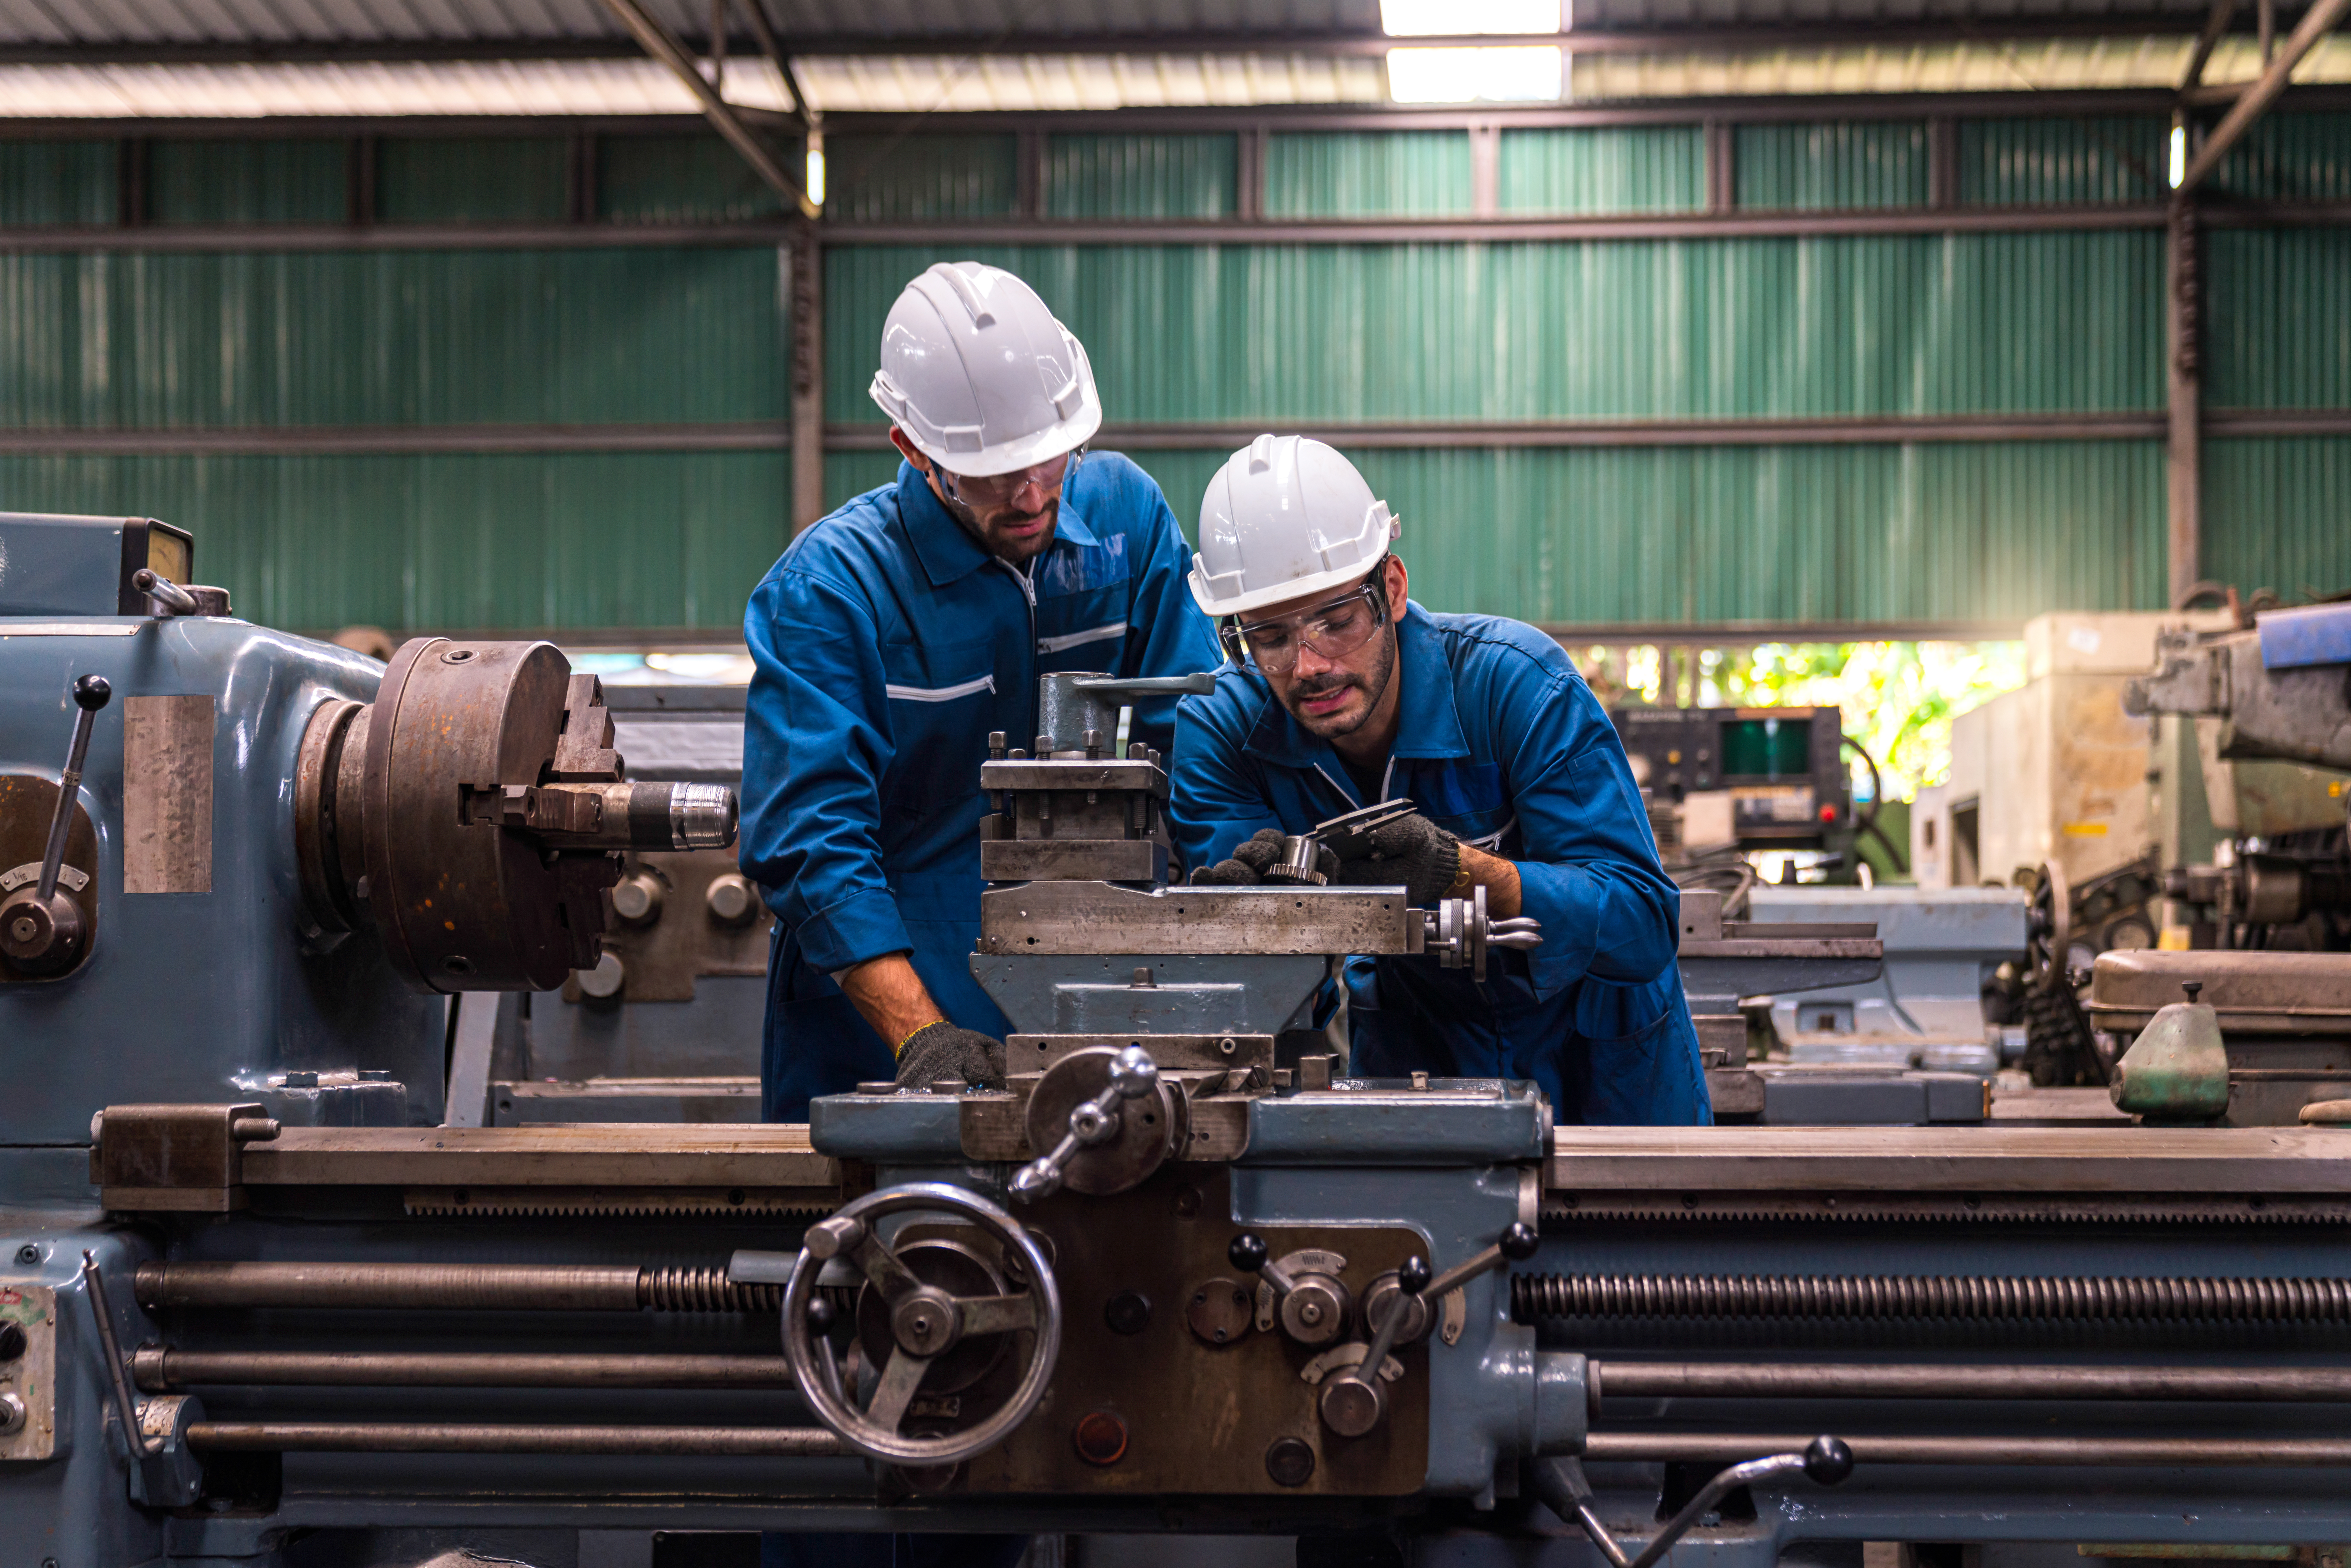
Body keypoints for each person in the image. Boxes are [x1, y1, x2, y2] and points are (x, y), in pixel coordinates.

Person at [741, 260, 1220, 1124]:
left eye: (1047, 457)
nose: (1033, 495)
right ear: (915, 450)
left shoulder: (1126, 521)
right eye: (993, 472)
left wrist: (1233, 882)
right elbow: (810, 841)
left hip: (1099, 992)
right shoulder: (833, 591)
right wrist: (919, 1034)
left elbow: (1198, 740)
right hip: (885, 1019)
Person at [1168, 434, 1710, 1125]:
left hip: (1603, 1069)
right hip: (1412, 1060)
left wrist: (1465, 872)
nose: (1308, 666)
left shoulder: (1516, 685)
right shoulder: (1225, 731)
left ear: (1391, 589)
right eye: (1270, 640)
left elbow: (1642, 922)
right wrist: (1258, 926)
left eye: (1337, 623)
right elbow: (1260, 995)